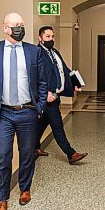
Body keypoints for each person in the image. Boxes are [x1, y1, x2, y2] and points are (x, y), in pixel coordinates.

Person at [0, 13, 47, 210]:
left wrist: (39, 107)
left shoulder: (34, 52)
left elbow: (42, 81)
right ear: (5, 28)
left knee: (26, 153)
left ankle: (25, 188)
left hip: (27, 111)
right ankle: (2, 198)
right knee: (3, 155)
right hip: (3, 113)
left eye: (22, 25)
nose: (19, 28)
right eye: (15, 25)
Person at [34, 26, 88, 164]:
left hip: (55, 97)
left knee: (42, 123)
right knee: (57, 126)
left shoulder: (54, 52)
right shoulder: (37, 53)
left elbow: (64, 70)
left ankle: (34, 148)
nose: (51, 39)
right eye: (47, 36)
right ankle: (71, 154)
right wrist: (45, 93)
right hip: (47, 97)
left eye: (52, 36)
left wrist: (74, 83)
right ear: (40, 38)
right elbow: (35, 76)